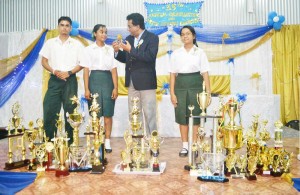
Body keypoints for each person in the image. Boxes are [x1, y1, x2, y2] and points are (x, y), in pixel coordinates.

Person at [112, 13, 159, 135]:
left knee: (150, 114)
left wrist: (130, 50)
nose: (128, 29)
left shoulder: (152, 38)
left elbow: (149, 57)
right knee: (134, 113)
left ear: (138, 26)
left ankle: (152, 142)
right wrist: (117, 52)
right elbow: (127, 58)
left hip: (147, 83)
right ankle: (137, 142)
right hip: (132, 82)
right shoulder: (129, 39)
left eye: (129, 26)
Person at [39, 16, 83, 144]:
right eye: (62, 25)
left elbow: (82, 64)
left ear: (70, 28)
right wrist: (54, 71)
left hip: (70, 80)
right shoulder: (50, 43)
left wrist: (69, 73)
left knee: (71, 112)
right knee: (50, 110)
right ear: (58, 27)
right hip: (54, 79)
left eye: (67, 25)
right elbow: (44, 61)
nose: (64, 28)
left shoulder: (76, 44)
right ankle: (49, 143)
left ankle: (70, 144)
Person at [169, 25, 211, 157]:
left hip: (196, 86)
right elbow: (172, 74)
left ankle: (195, 146)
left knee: (196, 117)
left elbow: (205, 73)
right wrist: (172, 93)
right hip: (180, 87)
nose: (185, 36)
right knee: (183, 117)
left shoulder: (200, 52)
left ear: (193, 36)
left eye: (187, 34)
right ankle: (185, 146)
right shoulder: (176, 53)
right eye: (182, 34)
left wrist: (208, 93)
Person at [81, 24, 118, 153]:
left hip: (108, 81)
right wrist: (86, 89)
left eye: (105, 32)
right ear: (95, 33)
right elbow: (86, 71)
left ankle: (107, 141)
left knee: (108, 113)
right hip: (94, 80)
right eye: (101, 32)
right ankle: (97, 141)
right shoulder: (88, 49)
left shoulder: (110, 49)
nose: (104, 34)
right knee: (95, 114)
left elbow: (114, 70)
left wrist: (115, 88)